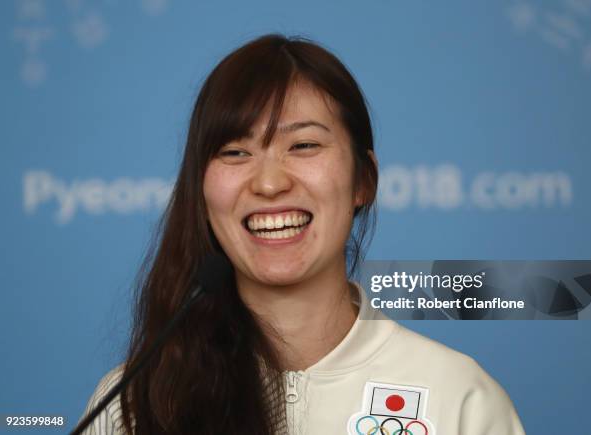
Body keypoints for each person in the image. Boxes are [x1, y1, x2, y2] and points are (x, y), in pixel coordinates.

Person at [80, 34, 526, 435]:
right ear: (200, 187)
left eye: (303, 146)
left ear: (363, 180)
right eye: (235, 152)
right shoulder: (133, 403)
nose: (269, 183)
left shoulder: (459, 398)